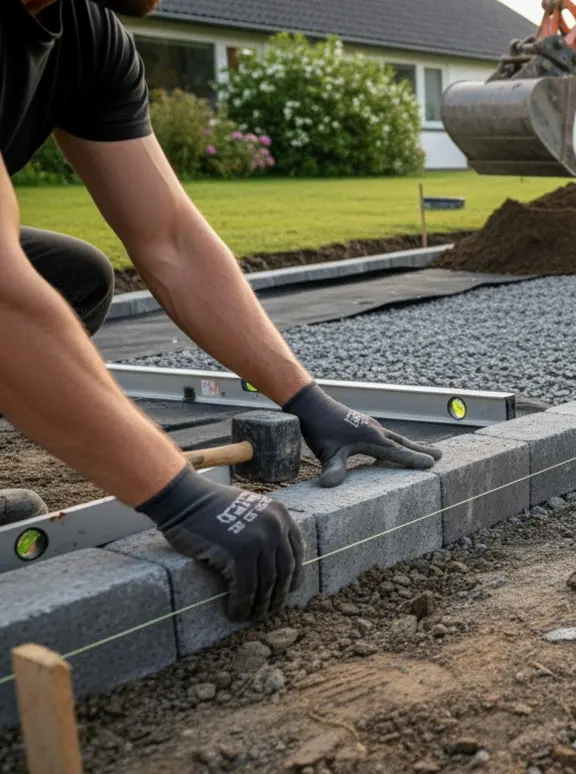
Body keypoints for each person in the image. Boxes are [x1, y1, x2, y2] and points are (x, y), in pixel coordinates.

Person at [1, 0, 443, 622]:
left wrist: (309, 402)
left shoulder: (88, 36)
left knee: (73, 280)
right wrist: (177, 495)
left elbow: (172, 242)